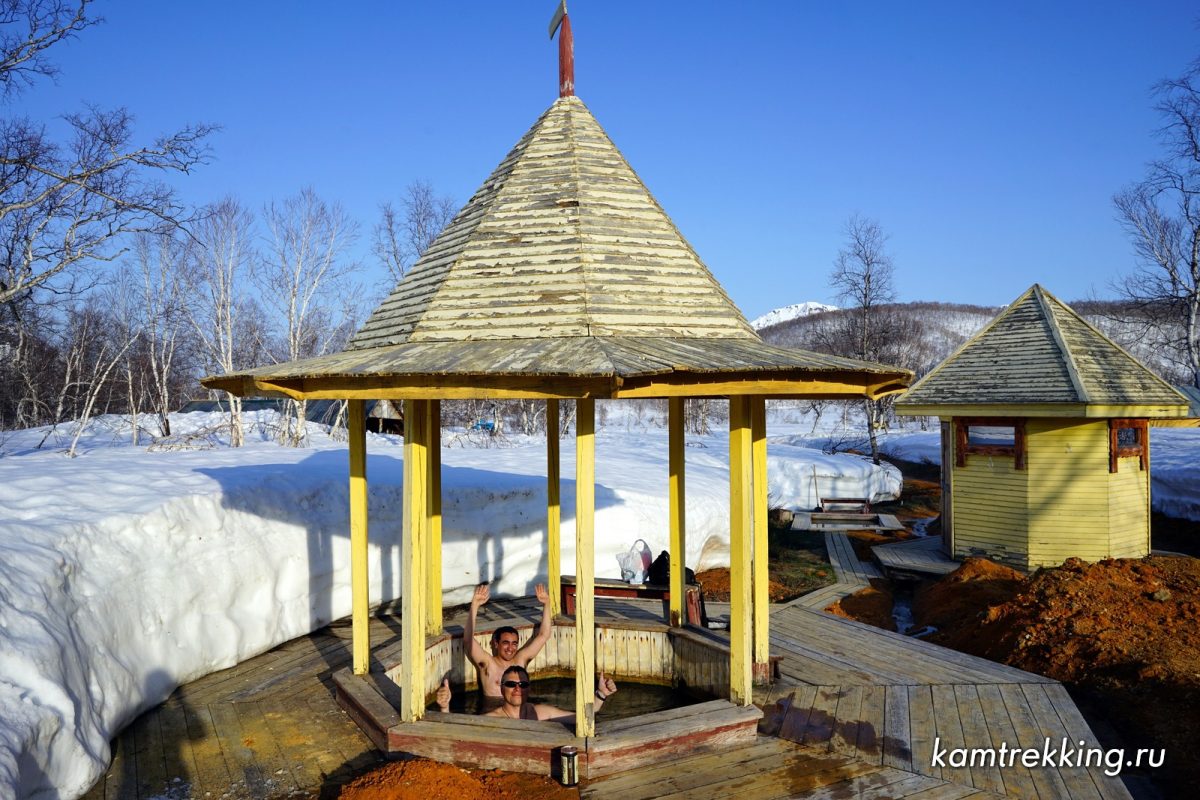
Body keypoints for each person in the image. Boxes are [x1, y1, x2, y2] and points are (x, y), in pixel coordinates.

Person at [462, 582, 553, 706]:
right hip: (493, 713)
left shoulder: (520, 661)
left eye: (514, 643)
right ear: (496, 644)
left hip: (517, 712)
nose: (510, 648)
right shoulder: (488, 664)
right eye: (506, 643)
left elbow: (543, 636)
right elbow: (468, 640)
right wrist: (475, 605)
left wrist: (546, 604)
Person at [436, 665, 618, 725]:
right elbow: (457, 738)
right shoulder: (491, 719)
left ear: (528, 689)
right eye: (511, 684)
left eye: (522, 684)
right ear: (501, 689)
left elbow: (581, 718)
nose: (517, 688)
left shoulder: (540, 712)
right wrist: (445, 708)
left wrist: (600, 695)